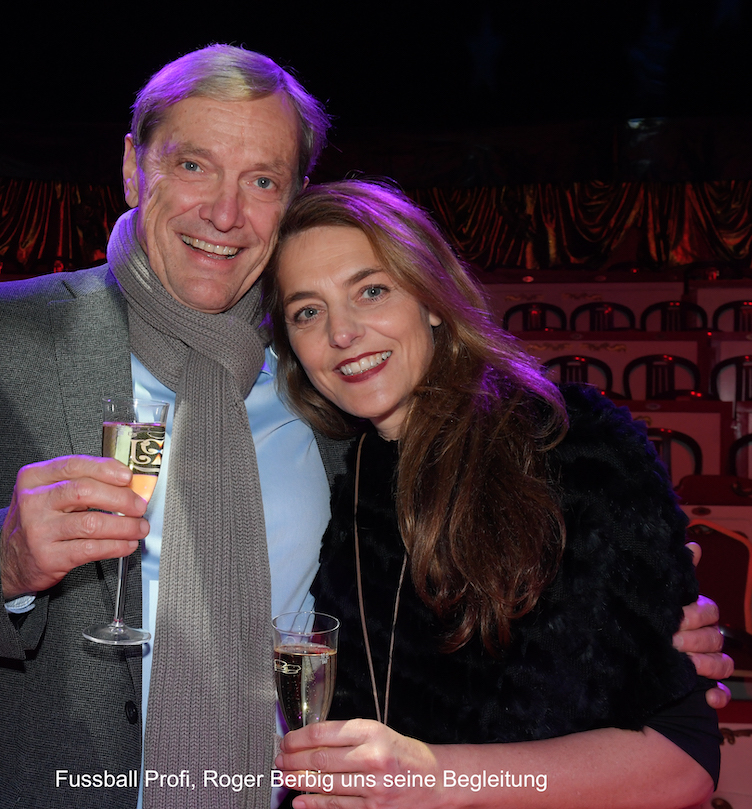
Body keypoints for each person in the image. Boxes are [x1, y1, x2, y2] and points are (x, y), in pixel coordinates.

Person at [0, 48, 728, 809]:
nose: (224, 211)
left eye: (262, 179)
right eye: (192, 165)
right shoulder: (0, 334)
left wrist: (636, 633)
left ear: (291, 198)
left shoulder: (326, 386)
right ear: (132, 166)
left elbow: (438, 579)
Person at [266, 179, 723, 808]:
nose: (341, 332)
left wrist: (436, 777)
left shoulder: (570, 449)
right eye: (307, 312)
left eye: (371, 291)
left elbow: (684, 761)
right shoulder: (346, 470)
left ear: (431, 299)